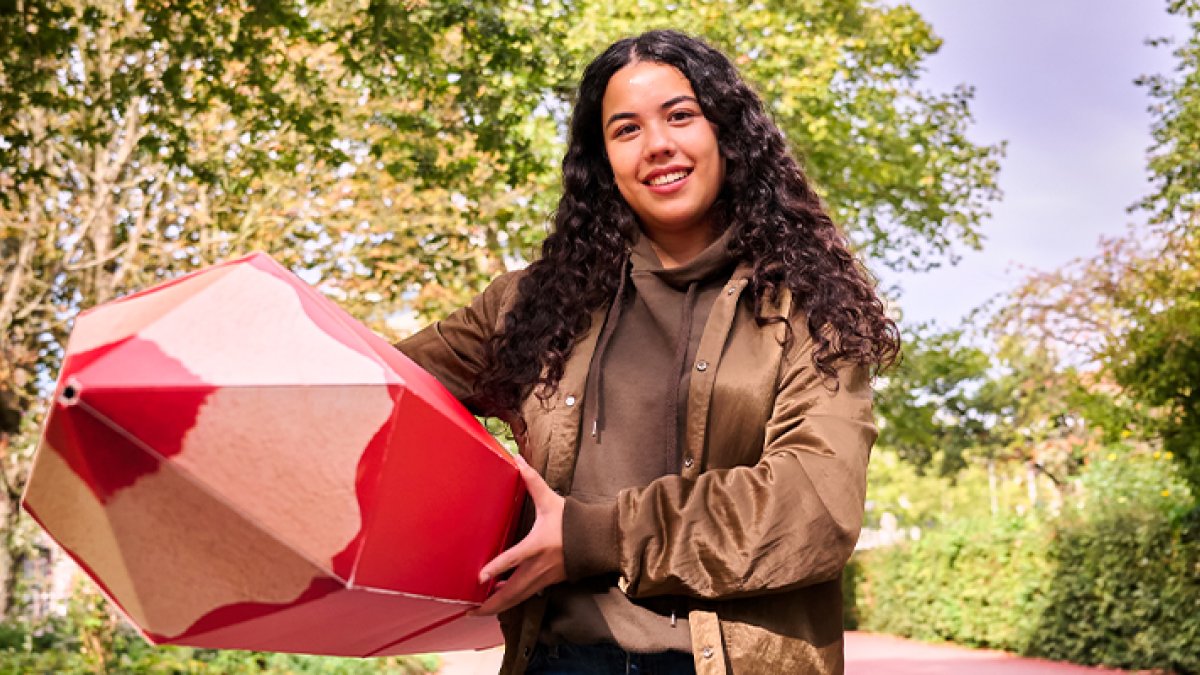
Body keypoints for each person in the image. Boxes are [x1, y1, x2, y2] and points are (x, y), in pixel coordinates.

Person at [396, 29, 899, 675]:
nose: (658, 144)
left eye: (681, 115)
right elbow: (381, 393)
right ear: (602, 161)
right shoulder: (529, 303)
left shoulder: (806, 305)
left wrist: (588, 537)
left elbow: (813, 509)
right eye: (626, 129)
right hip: (558, 660)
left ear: (727, 133)